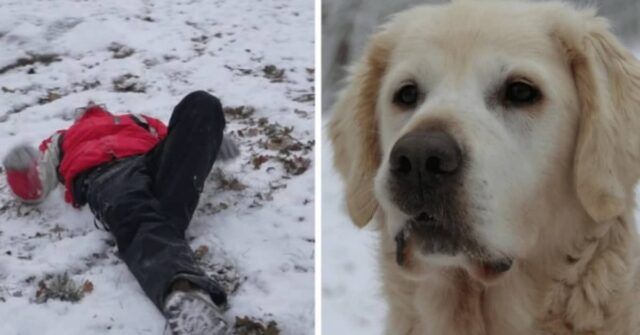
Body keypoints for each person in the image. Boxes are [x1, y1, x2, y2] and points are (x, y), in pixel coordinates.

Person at [2, 91, 239, 335]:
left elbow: (176, 144)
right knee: (136, 211)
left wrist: (208, 142)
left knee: (202, 103)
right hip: (107, 175)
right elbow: (38, 186)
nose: (89, 103)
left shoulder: (136, 119)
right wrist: (20, 172)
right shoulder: (61, 139)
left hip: (151, 163)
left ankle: (163, 240)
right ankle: (183, 291)